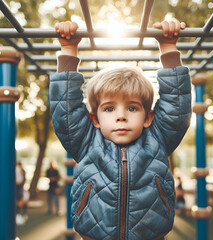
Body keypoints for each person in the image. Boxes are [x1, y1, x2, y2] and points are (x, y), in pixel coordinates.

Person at [49, 18, 191, 240]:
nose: (121, 116)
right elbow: (65, 111)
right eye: (109, 109)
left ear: (148, 117)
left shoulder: (157, 139)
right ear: (94, 119)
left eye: (132, 108)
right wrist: (69, 48)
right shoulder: (86, 142)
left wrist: (168, 47)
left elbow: (176, 108)